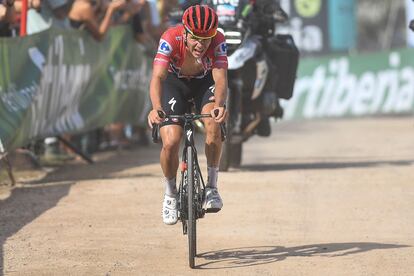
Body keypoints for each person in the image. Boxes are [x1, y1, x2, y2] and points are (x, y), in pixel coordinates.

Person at [147, 5, 228, 225]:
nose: (200, 45)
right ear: (184, 32)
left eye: (206, 39)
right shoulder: (170, 38)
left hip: (204, 83)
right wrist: (156, 108)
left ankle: (211, 187)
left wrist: (219, 105)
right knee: (171, 140)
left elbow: (220, 79)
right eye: (195, 39)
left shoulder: (219, 39)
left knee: (213, 122)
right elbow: (157, 78)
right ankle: (170, 193)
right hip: (175, 83)